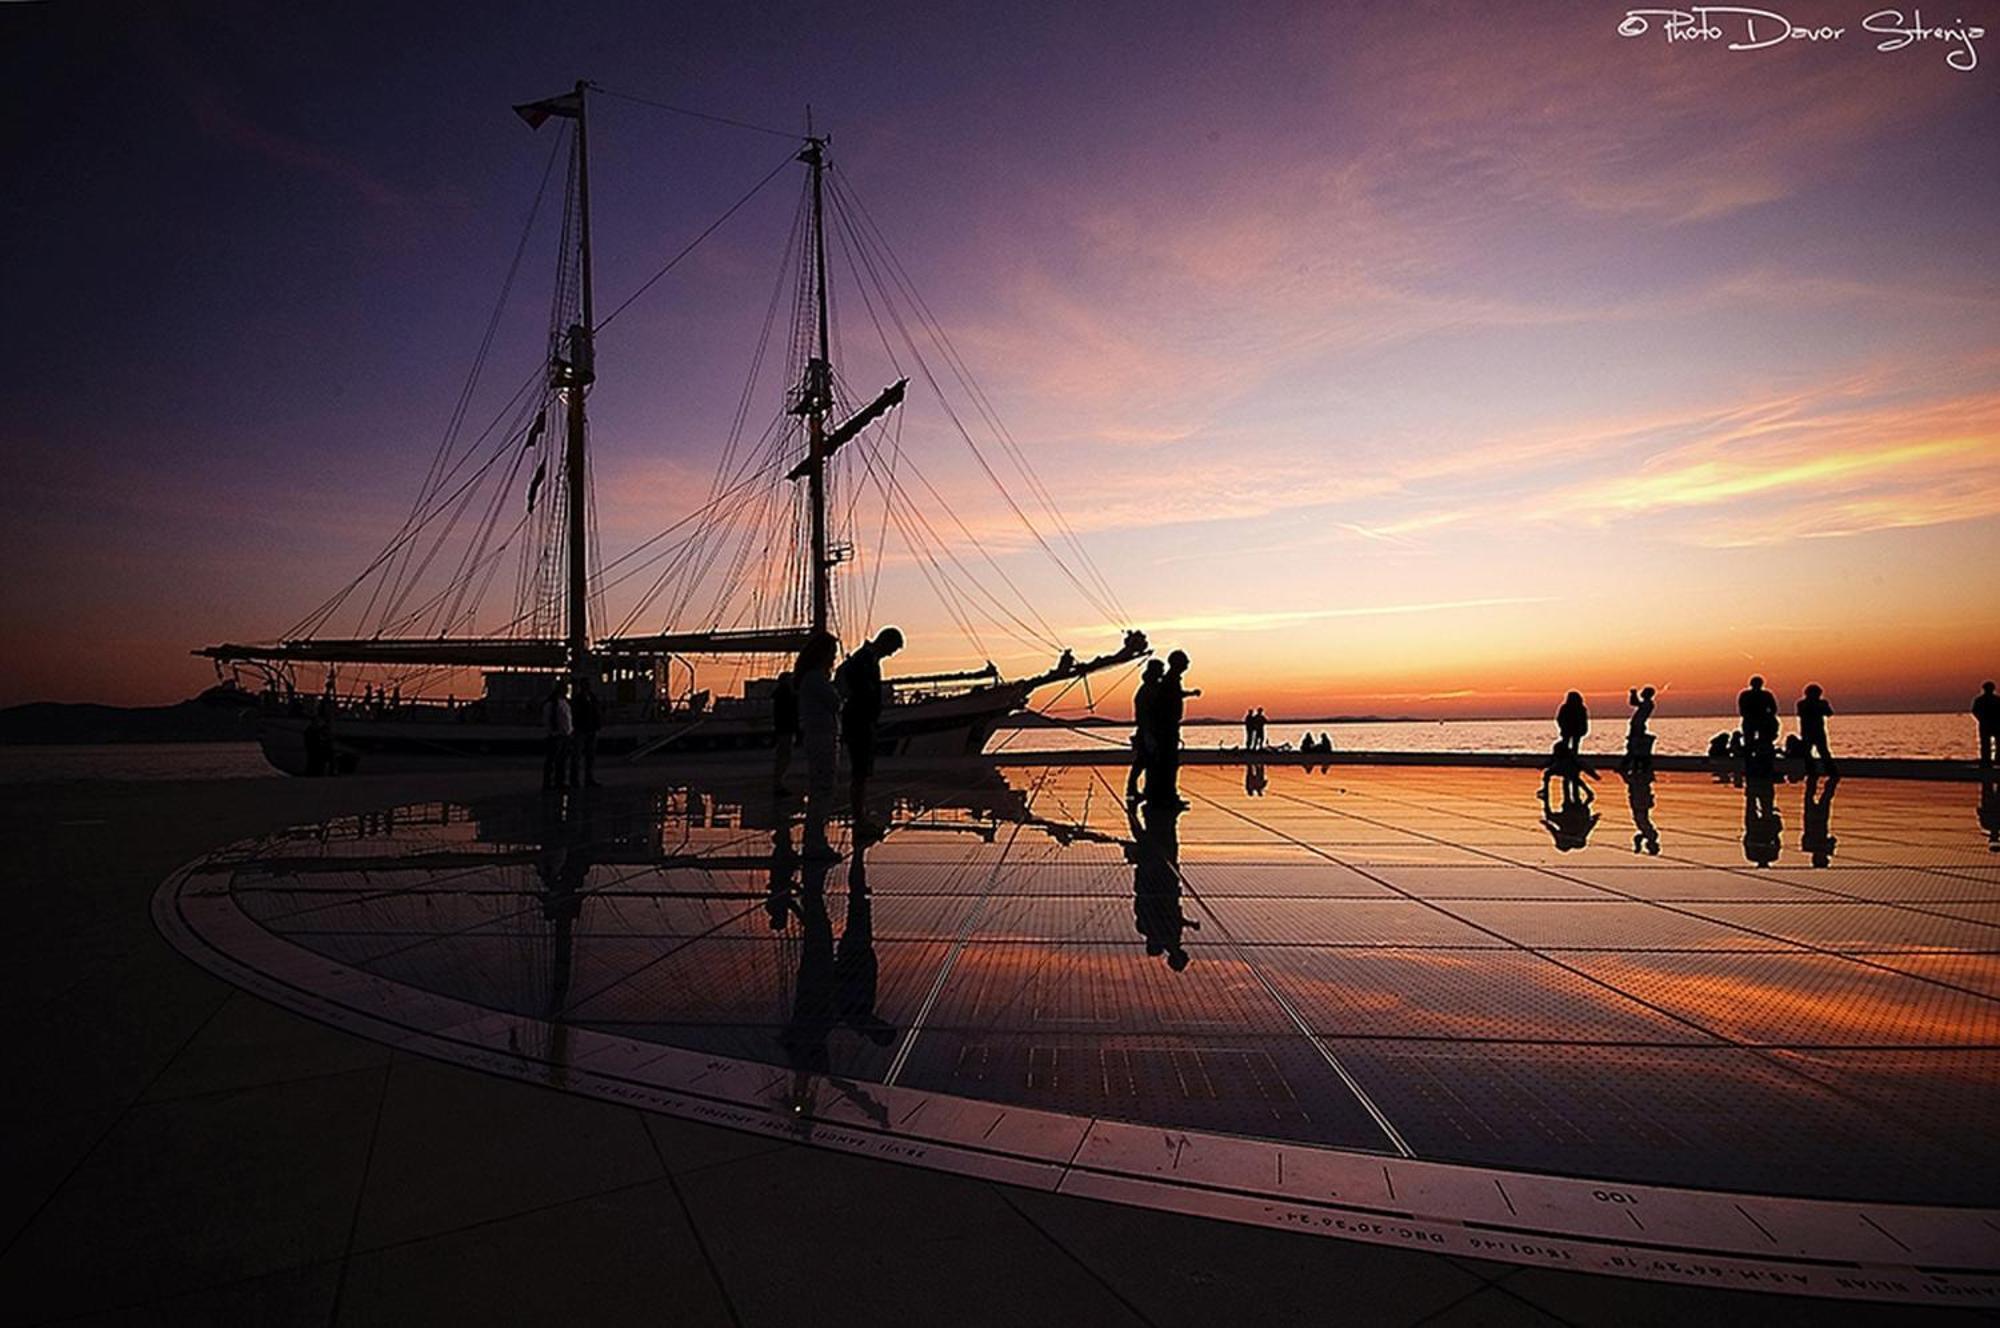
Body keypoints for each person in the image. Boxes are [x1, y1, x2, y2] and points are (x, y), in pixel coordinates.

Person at [835, 626, 904, 842]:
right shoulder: (865, 659)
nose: (891, 654)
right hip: (860, 720)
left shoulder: (866, 658)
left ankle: (860, 817)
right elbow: (862, 689)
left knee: (862, 772)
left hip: (861, 719)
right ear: (885, 642)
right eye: (892, 649)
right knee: (860, 772)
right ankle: (859, 819)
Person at [795, 632, 842, 857]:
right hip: (821, 736)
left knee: (821, 788)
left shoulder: (810, 678)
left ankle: (815, 839)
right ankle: (814, 842)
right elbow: (834, 703)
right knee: (823, 789)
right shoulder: (815, 678)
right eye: (832, 654)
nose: (833, 658)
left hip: (819, 735)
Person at [1144, 649, 1200, 805]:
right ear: (1177, 663)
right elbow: (1168, 700)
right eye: (1185, 661)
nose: (1188, 664)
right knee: (1168, 763)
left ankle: (1166, 795)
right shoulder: (1170, 680)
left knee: (1167, 763)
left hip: (1168, 726)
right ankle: (1167, 796)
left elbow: (1175, 695)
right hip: (1167, 727)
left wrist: (1190, 694)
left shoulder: (1171, 680)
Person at [1127, 659, 1166, 801]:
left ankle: (1134, 789)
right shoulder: (1148, 690)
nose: (1163, 672)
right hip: (1147, 729)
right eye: (1161, 669)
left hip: (1147, 729)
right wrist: (1148, 732)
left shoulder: (1151, 687)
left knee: (1143, 761)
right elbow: (1144, 713)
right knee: (1144, 761)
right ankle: (1133, 789)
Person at [771, 658, 803, 797]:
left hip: (783, 728)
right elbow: (791, 712)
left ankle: (779, 783)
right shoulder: (786, 695)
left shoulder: (781, 695)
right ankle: (778, 784)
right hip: (786, 728)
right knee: (784, 756)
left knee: (783, 756)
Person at [1737, 675, 1779, 773]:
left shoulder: (1766, 695)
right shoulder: (1747, 694)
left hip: (1761, 721)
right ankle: (1751, 764)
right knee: (1750, 743)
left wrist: (1768, 718)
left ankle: (1762, 764)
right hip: (1752, 721)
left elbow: (1773, 709)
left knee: (1763, 743)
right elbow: (1742, 710)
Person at [1795, 683, 1836, 777]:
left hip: (1813, 731)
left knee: (1820, 751)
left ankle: (1826, 771)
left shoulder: (1803, 703)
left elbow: (1829, 713)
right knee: (1816, 752)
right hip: (1812, 731)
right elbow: (1829, 713)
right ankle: (1823, 771)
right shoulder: (1804, 704)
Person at [541, 677, 573, 791]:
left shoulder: (562, 702)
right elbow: (548, 719)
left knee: (561, 760)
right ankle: (549, 782)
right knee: (553, 760)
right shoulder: (553, 704)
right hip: (556, 736)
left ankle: (559, 781)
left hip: (563, 735)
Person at [571, 674, 602, 787]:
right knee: (578, 756)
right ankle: (576, 780)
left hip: (590, 729)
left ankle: (588, 778)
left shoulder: (591, 697)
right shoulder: (580, 699)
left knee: (589, 757)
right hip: (582, 729)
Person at [1619, 686, 1657, 776]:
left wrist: (1633, 694)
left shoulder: (1648, 704)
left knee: (1633, 746)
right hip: (1637, 726)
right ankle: (1627, 765)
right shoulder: (1646, 703)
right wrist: (1633, 695)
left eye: (1644, 692)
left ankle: (1627, 765)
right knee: (1632, 746)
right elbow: (1634, 703)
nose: (1642, 693)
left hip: (1638, 726)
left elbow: (1634, 703)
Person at [1555, 691, 1589, 759]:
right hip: (1568, 730)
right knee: (1567, 744)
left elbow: (1584, 720)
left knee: (1574, 744)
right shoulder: (1566, 708)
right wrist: (1563, 727)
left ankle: (1572, 758)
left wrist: (1584, 729)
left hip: (1575, 730)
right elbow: (1559, 719)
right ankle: (1566, 757)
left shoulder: (1581, 708)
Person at [1975, 681, 2000, 768]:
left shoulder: (1996, 700)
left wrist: (1981, 719)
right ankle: (1987, 760)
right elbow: (1975, 711)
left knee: (1989, 743)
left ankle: (1989, 760)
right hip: (1989, 724)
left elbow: (1975, 711)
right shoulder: (1996, 700)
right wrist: (1981, 719)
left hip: (1991, 724)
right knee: (1986, 744)